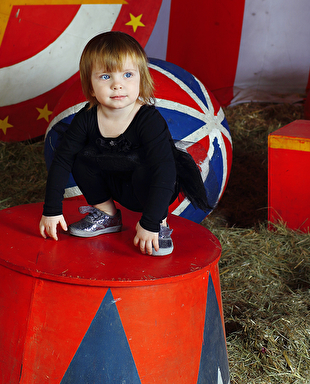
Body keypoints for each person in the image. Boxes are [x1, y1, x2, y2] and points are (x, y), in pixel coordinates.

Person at [39, 31, 210, 255]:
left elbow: (165, 172)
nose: (117, 85)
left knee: (149, 167)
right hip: (114, 182)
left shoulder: (148, 120)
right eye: (105, 77)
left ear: (141, 79)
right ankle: (106, 214)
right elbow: (62, 161)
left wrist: (150, 222)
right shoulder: (86, 118)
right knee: (78, 156)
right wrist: (51, 210)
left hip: (152, 186)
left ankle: (160, 223)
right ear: (90, 86)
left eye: (127, 75)